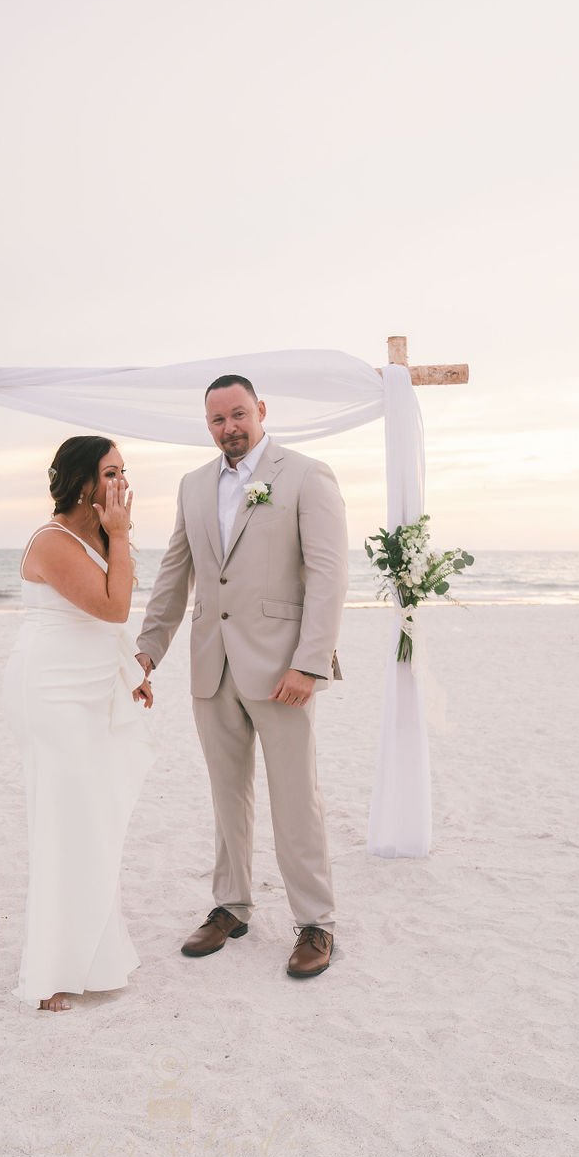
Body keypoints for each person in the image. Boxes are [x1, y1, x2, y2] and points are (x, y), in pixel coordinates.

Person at [136, 375, 347, 978]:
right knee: (227, 797)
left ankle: (316, 921)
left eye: (237, 415)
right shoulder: (193, 485)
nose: (229, 428)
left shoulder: (306, 475)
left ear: (260, 410)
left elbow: (329, 577)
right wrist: (148, 652)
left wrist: (309, 664)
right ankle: (231, 905)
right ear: (207, 426)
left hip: (284, 669)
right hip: (212, 664)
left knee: (295, 800)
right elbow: (175, 576)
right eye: (216, 420)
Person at [2, 436, 155, 1012]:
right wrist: (119, 535)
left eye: (123, 471)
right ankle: (49, 972)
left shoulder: (99, 537)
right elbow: (114, 606)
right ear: (82, 481)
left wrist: (127, 673)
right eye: (110, 472)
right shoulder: (52, 541)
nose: (121, 483)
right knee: (66, 823)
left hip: (90, 690)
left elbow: (110, 624)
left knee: (93, 822)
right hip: (52, 695)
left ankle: (91, 954)